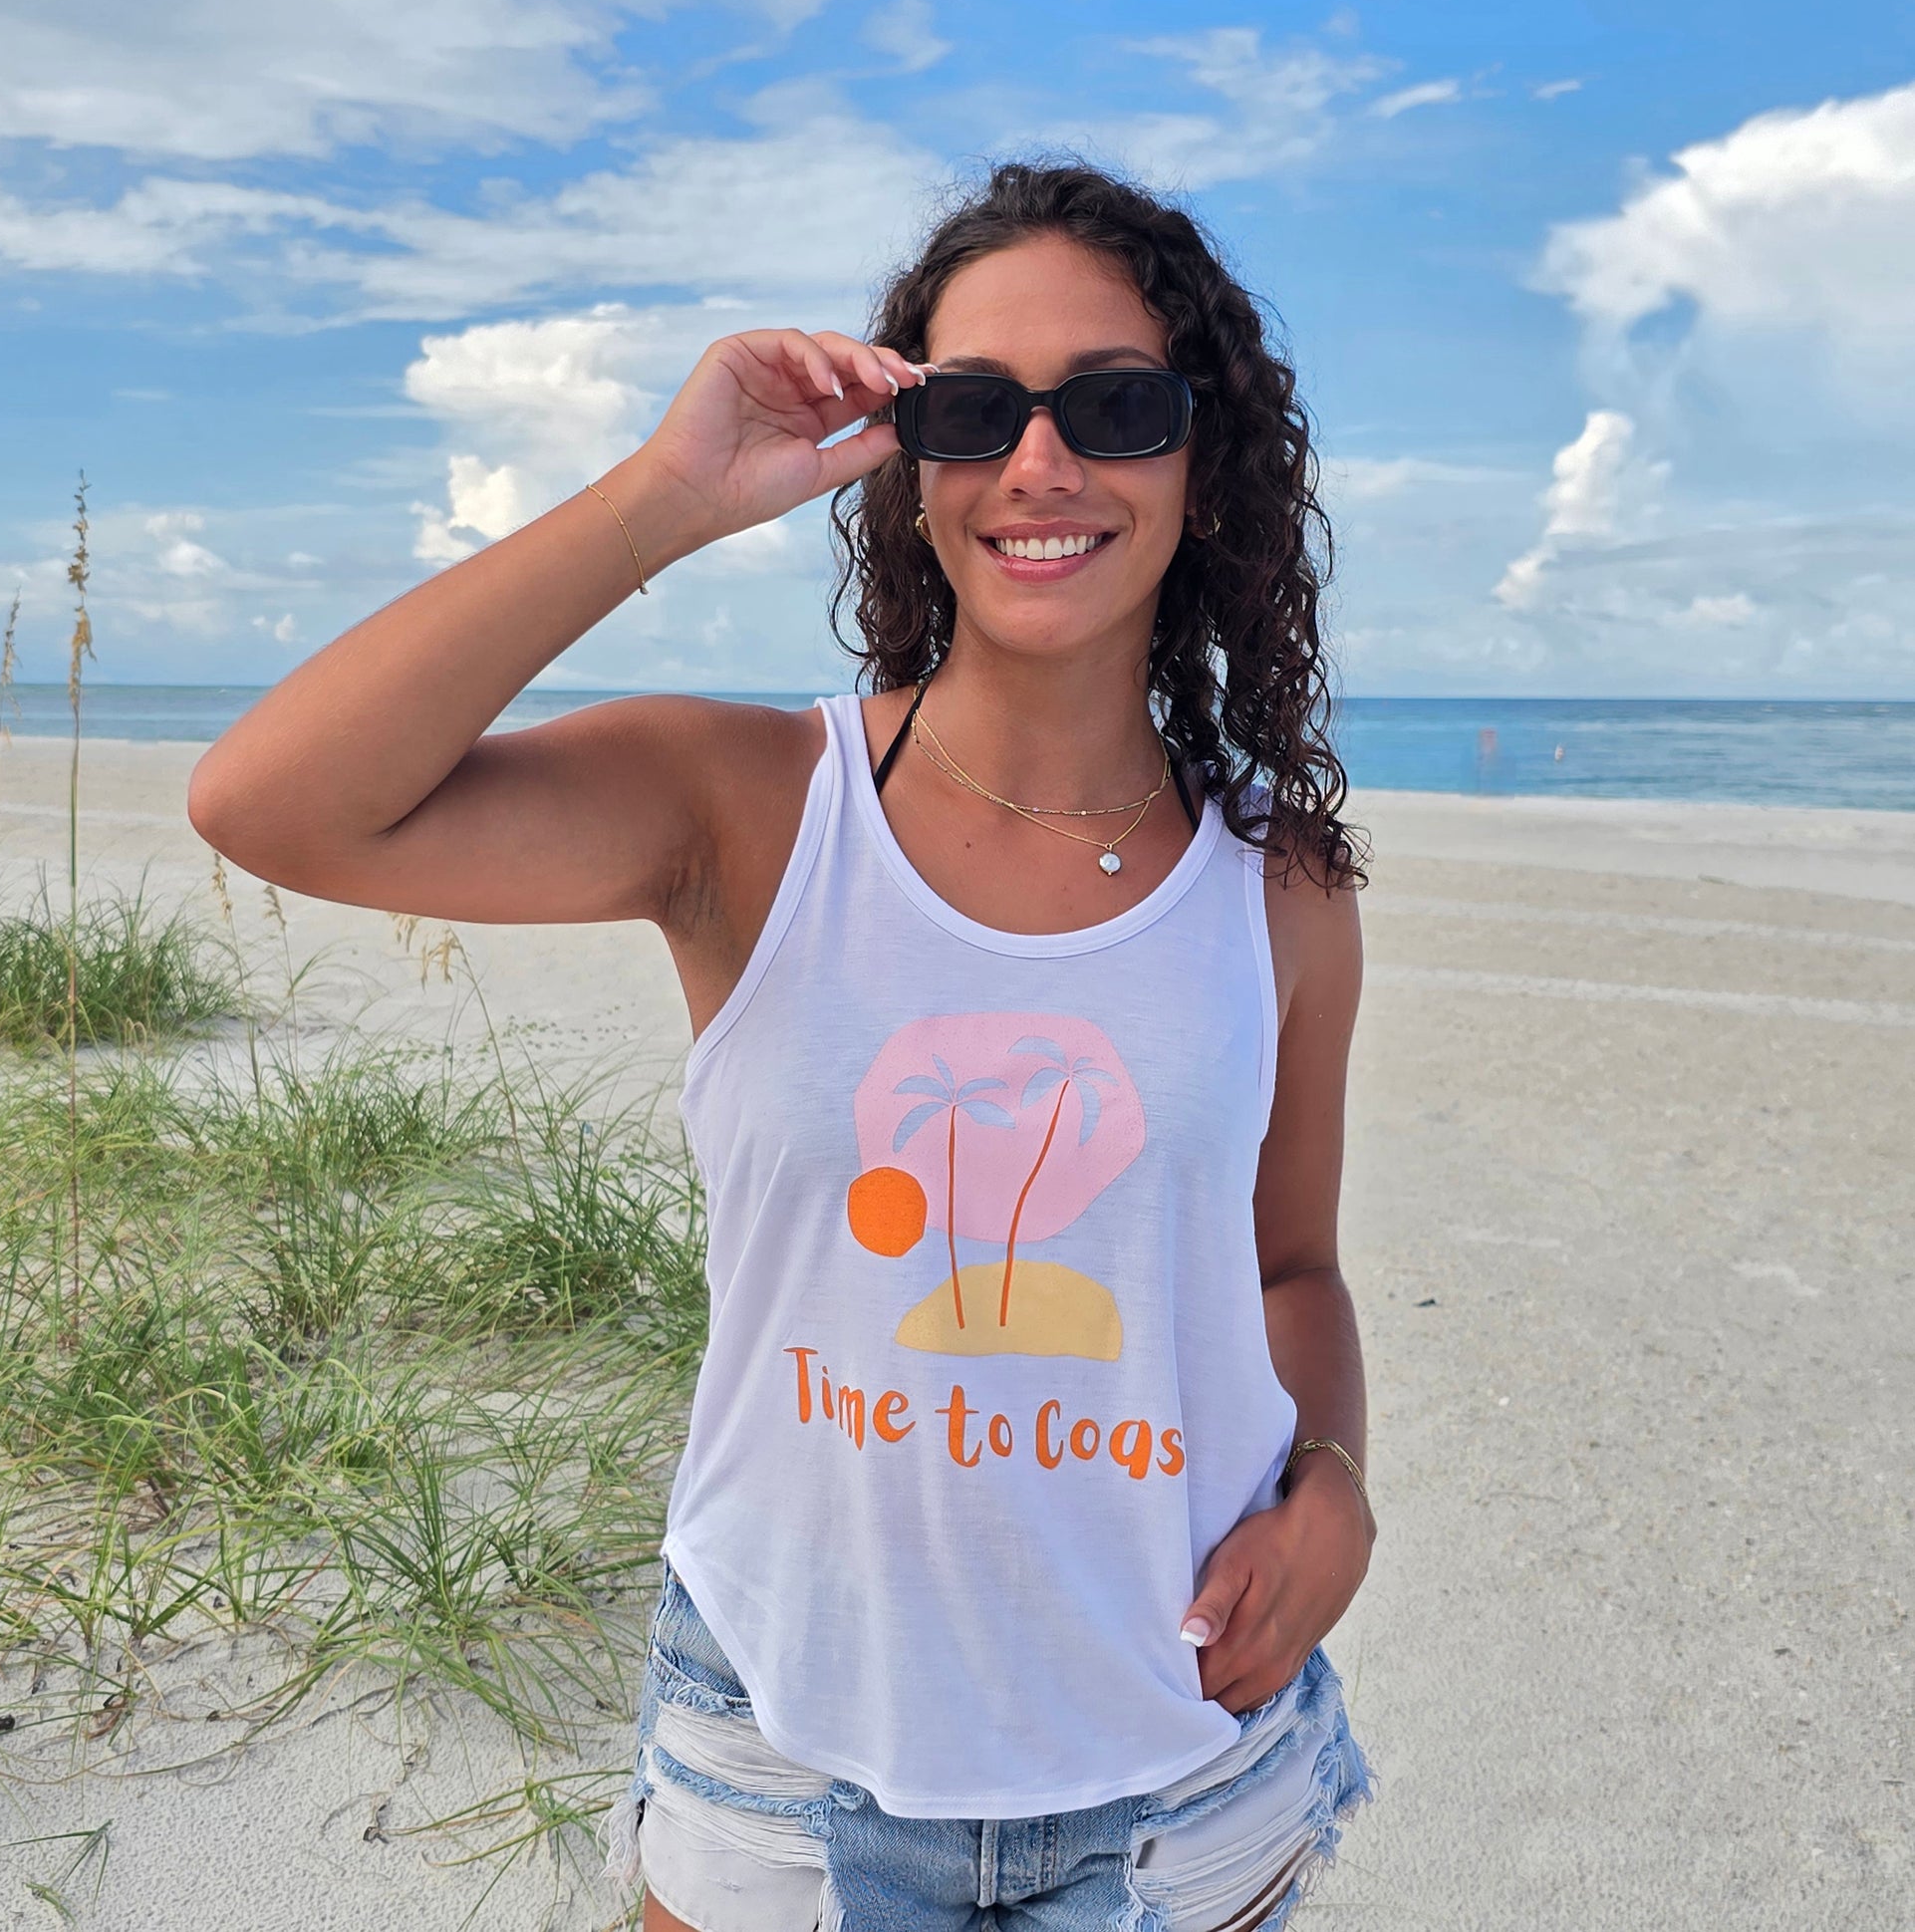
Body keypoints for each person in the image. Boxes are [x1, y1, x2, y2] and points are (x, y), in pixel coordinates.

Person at [188, 158, 1380, 1932]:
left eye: (1115, 407)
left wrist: (1337, 1489)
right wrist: (669, 494)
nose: (1039, 465)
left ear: (1203, 464)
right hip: (784, 1750)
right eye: (976, 409)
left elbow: (1287, 1268)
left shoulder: (1270, 882)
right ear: (907, 459)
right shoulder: (751, 806)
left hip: (1180, 1769)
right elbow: (273, 802)